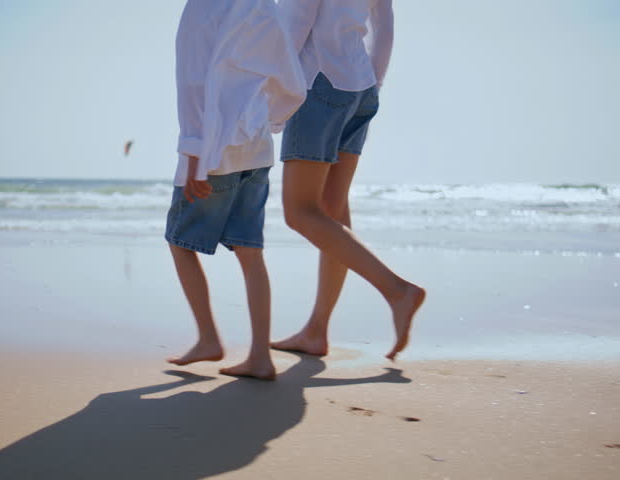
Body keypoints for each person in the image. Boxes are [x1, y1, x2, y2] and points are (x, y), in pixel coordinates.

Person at [272, 0, 425, 361]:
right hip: (361, 86)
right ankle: (316, 331)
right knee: (332, 209)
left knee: (300, 212)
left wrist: (275, 97)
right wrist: (374, 82)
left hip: (317, 84)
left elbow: (296, 23)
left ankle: (397, 290)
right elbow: (384, 23)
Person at [165, 0, 306, 379]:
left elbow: (193, 83)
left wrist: (195, 156)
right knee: (250, 250)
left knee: (180, 241)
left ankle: (208, 339)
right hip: (257, 146)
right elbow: (292, 82)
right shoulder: (266, 6)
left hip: (214, 148)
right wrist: (266, 121)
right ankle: (260, 356)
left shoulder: (203, 7)